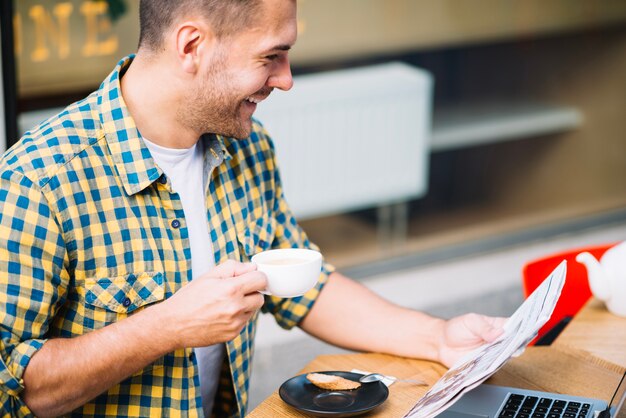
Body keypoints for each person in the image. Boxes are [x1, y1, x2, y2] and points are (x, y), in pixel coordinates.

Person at [0, 0, 506, 416]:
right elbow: (16, 390)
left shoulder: (248, 146)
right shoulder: (38, 181)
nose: (285, 80)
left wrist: (438, 338)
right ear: (192, 46)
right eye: (271, 57)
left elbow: (307, 288)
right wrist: (168, 324)